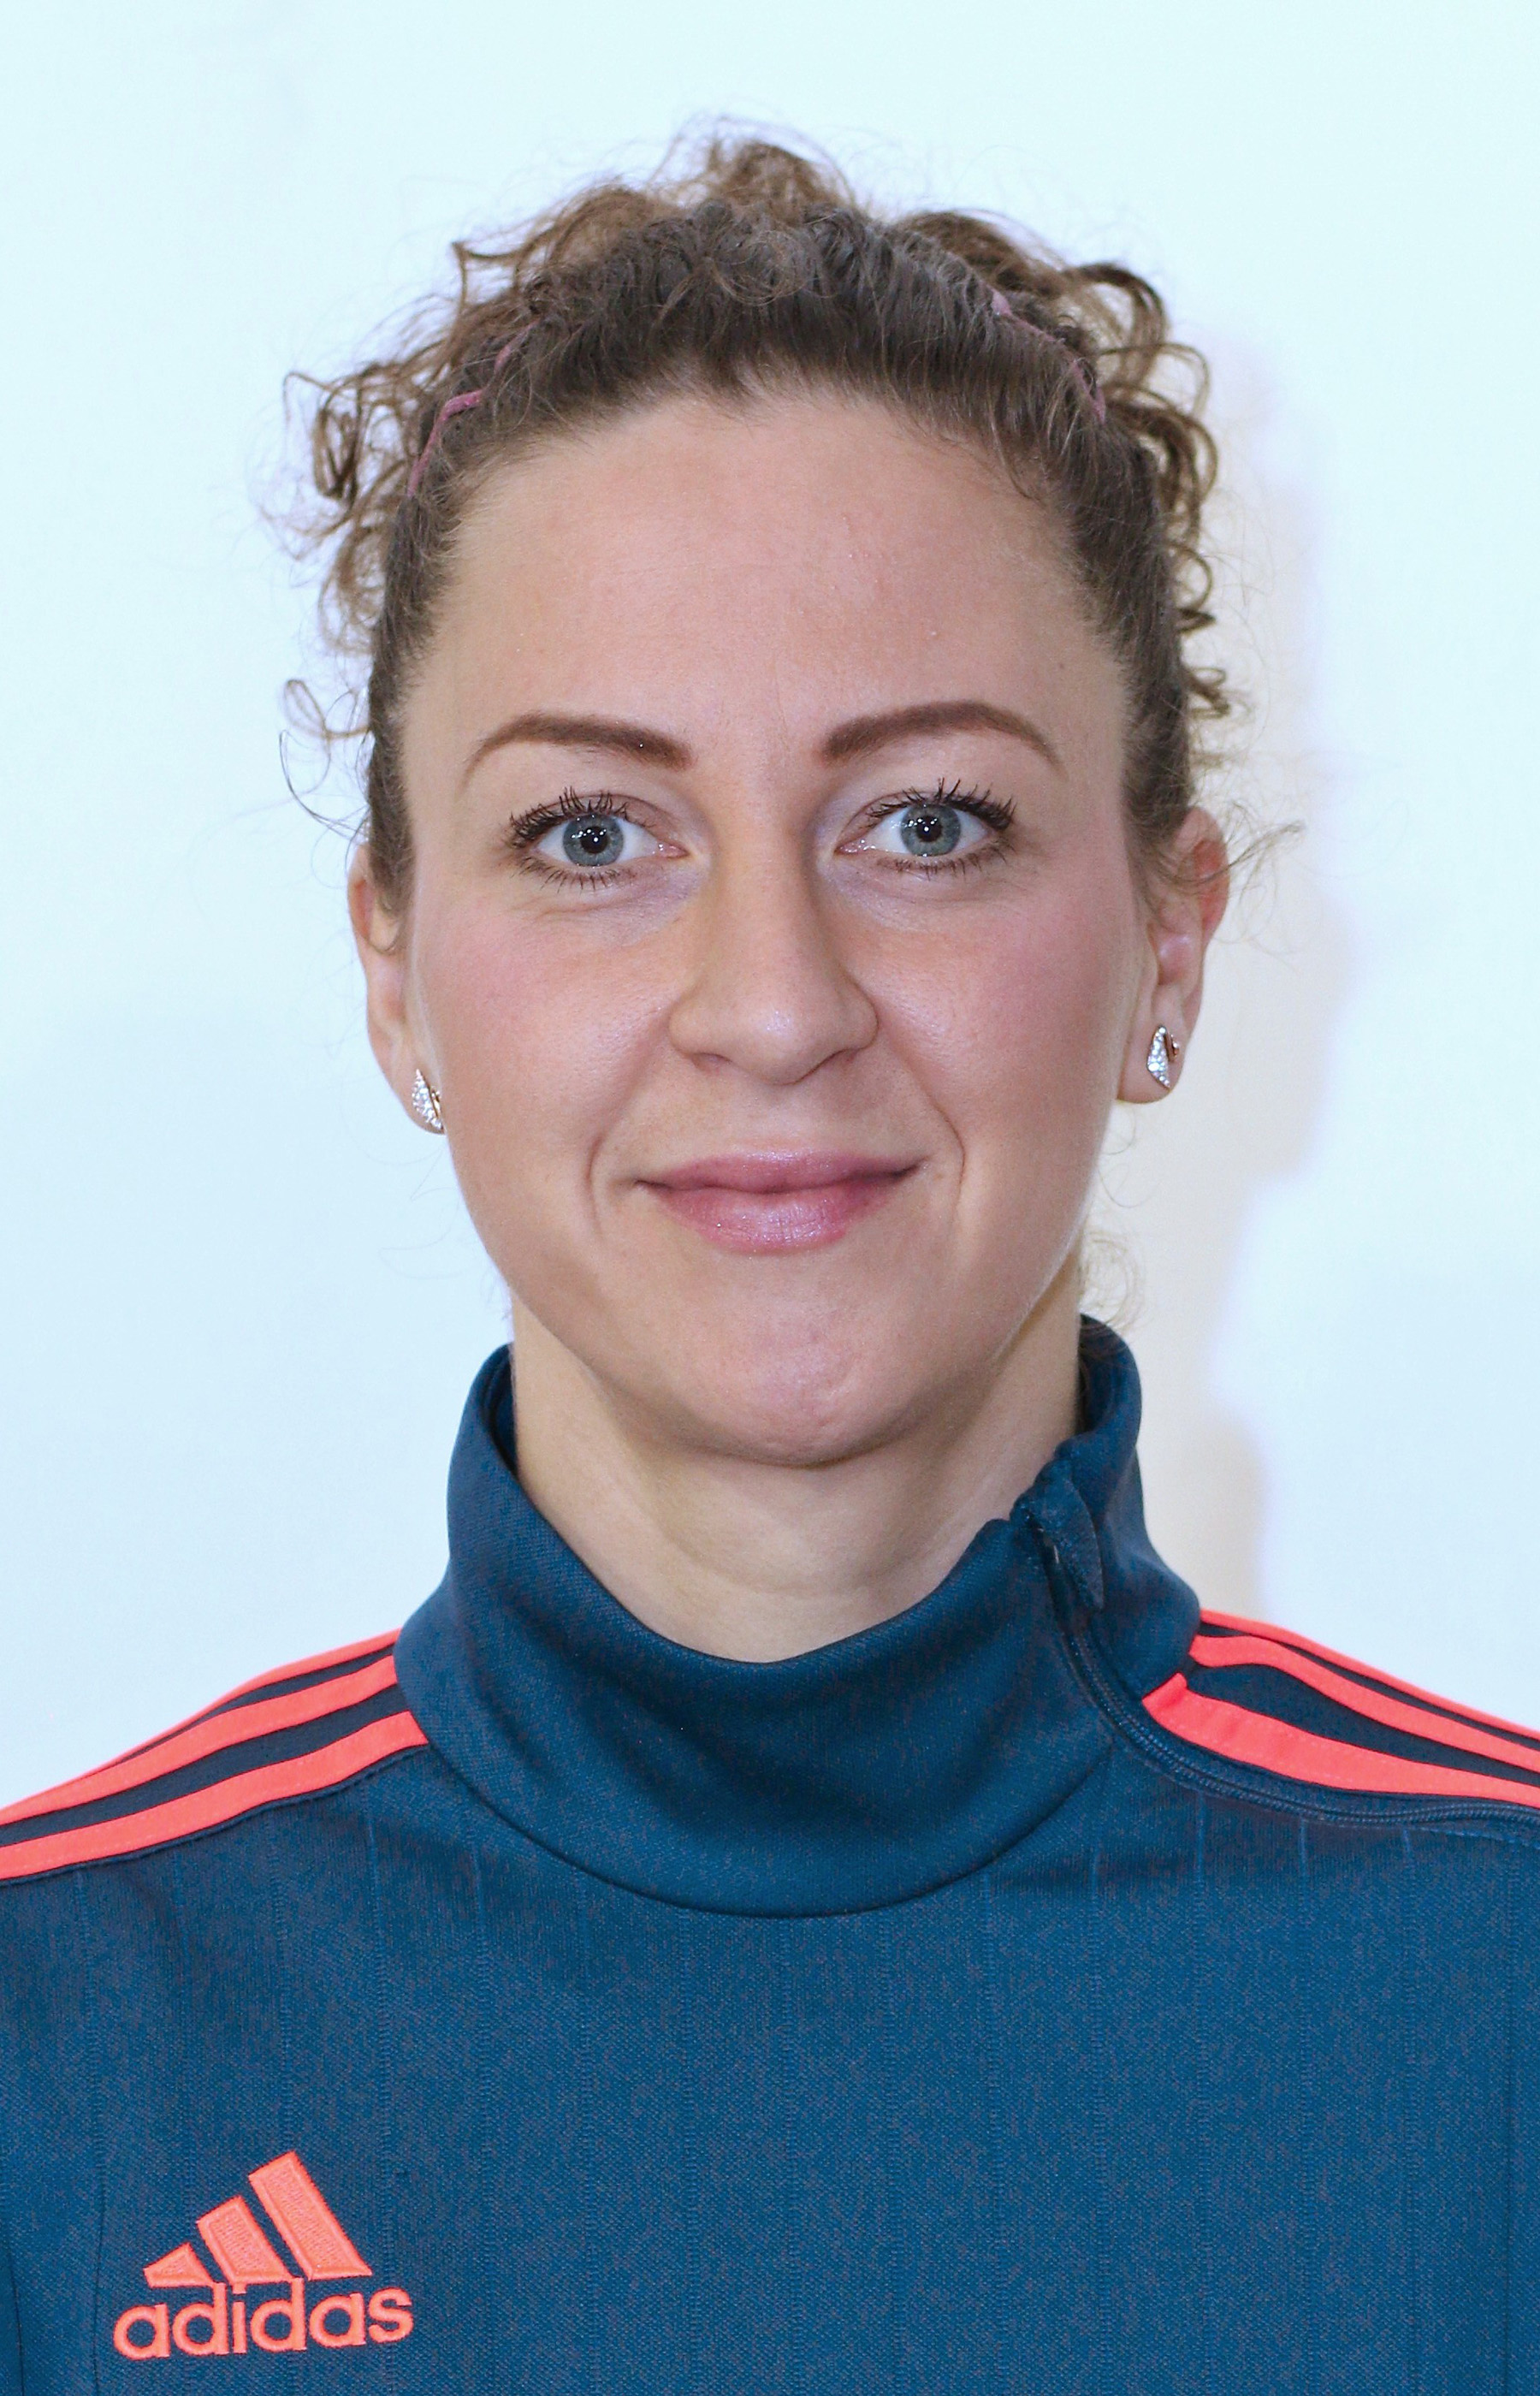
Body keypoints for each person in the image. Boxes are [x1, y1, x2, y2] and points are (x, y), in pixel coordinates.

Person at [3, 135, 1537, 2392]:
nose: (773, 1002)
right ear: (398, 970)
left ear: (1169, 940)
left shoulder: (1500, 1994)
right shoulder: (60, 2040)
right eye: (592, 834)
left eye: (928, 824)